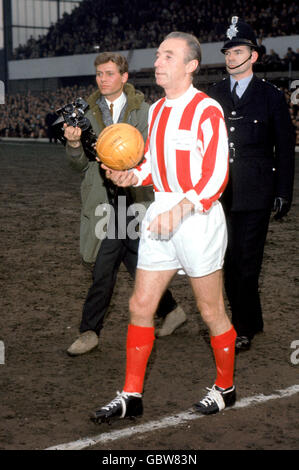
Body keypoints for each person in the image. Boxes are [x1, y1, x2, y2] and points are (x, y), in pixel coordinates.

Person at [90, 32, 237, 423]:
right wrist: (131, 176)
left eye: (168, 56)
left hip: (198, 216)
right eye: (157, 56)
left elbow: (216, 172)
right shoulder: (155, 112)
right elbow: (155, 164)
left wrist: (184, 207)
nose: (158, 62)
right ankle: (131, 395)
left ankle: (226, 388)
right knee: (140, 305)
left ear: (190, 66)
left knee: (210, 311)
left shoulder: (207, 110)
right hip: (161, 211)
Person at [64, 52, 186, 356]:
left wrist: (125, 164)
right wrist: (74, 144)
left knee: (106, 265)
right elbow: (78, 166)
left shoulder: (145, 111)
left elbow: (153, 156)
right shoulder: (84, 114)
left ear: (124, 77)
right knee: (133, 261)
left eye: (108, 74)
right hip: (103, 200)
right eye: (99, 74)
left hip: (135, 198)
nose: (102, 80)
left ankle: (89, 331)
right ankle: (171, 310)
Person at [208, 17, 295, 352]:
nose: (231, 57)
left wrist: (283, 191)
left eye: (238, 50)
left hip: (257, 192)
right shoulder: (213, 94)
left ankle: (242, 327)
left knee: (247, 263)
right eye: (228, 51)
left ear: (253, 56)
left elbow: (284, 148)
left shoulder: (270, 96)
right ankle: (252, 320)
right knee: (226, 262)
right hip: (220, 193)